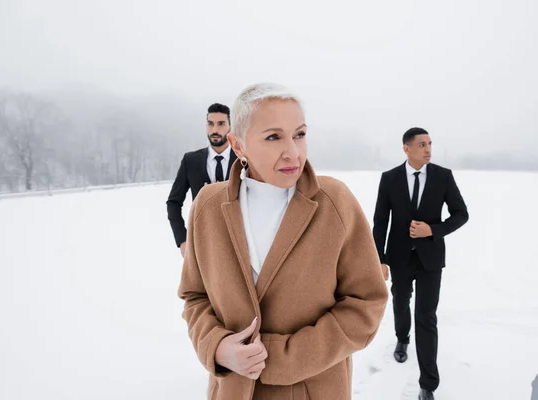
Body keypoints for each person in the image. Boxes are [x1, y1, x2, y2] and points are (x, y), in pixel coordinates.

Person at [177, 83, 388, 399]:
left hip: (315, 390)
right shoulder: (207, 207)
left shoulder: (335, 202)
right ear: (238, 144)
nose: (293, 152)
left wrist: (285, 358)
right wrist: (217, 347)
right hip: (232, 390)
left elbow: (366, 303)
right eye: (274, 137)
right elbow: (195, 296)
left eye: (299, 135)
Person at [372, 127, 469, 400]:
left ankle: (428, 385)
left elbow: (461, 214)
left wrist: (433, 230)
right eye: (422, 144)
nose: (428, 149)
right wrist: (379, 259)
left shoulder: (443, 176)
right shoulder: (389, 179)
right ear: (407, 148)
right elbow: (381, 222)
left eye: (430, 144)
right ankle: (402, 338)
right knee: (400, 302)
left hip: (431, 259)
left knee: (426, 317)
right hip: (399, 257)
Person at [166, 103, 237, 257]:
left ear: (230, 127)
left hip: (238, 245)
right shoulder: (190, 161)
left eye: (221, 124)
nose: (215, 130)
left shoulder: (244, 160)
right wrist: (182, 240)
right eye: (210, 124)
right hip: (201, 246)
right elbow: (173, 202)